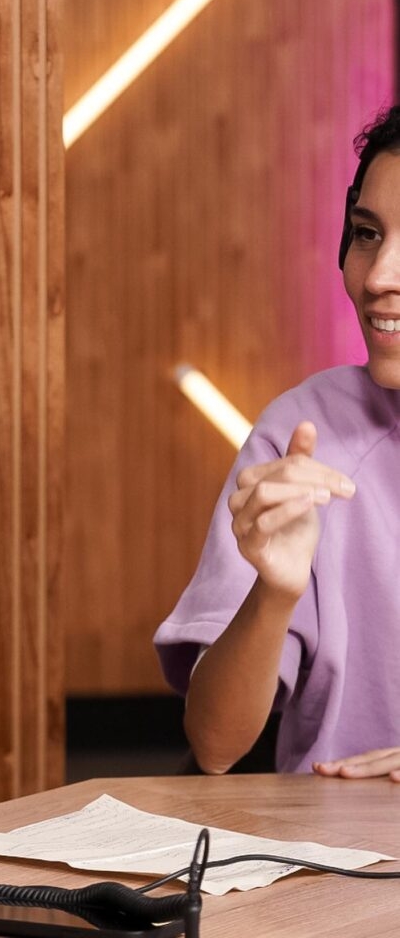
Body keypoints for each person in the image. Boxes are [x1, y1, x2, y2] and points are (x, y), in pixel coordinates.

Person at [154, 104, 400, 781]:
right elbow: (215, 744)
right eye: (367, 234)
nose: (378, 277)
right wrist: (274, 595)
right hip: (336, 866)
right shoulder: (303, 436)